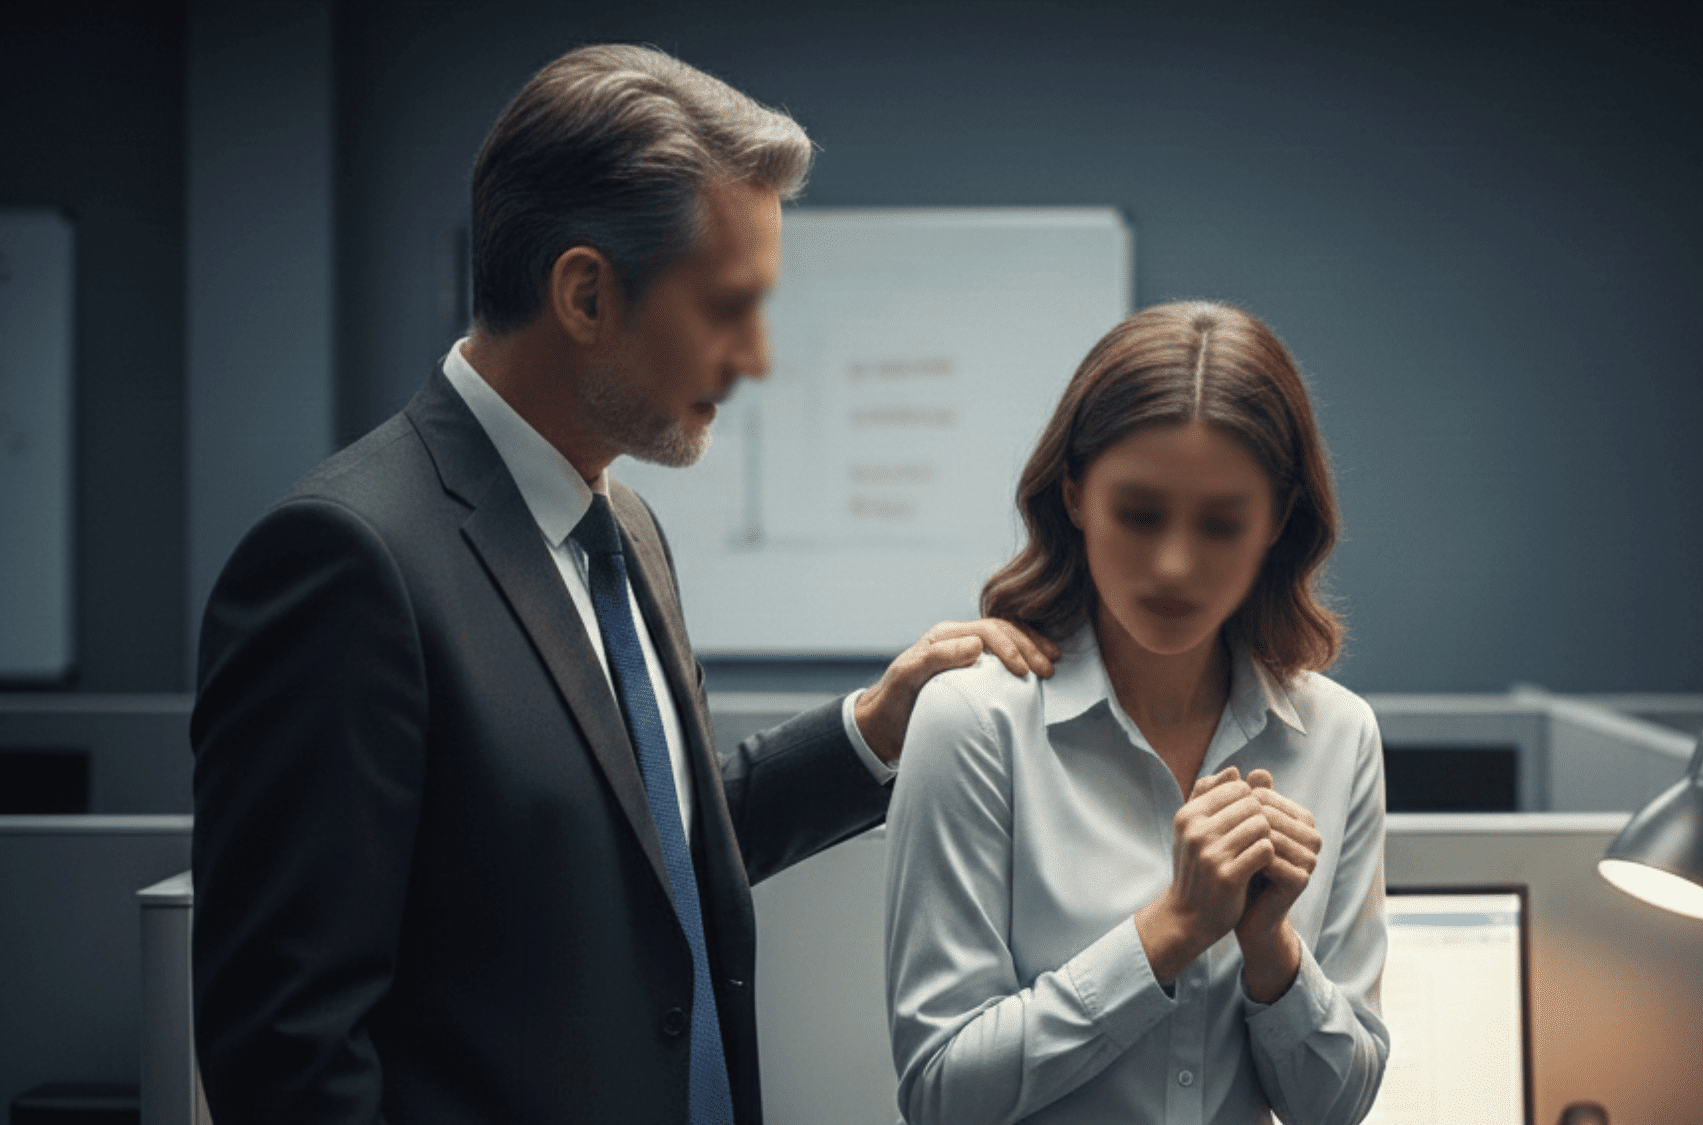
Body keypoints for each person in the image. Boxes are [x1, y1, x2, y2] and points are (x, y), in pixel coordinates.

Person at [190, 44, 1056, 1125]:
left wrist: (872, 731)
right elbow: (286, 1051)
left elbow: (636, 854)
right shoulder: (345, 562)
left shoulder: (624, 530)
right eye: (727, 307)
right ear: (587, 293)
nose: (755, 358)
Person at [884, 301, 1390, 1125]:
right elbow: (942, 1092)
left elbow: (1335, 1109)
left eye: (1222, 523)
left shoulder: (1338, 735)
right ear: (1075, 492)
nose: (1174, 565)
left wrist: (1273, 951)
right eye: (1140, 514)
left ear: (1279, 521)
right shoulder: (975, 721)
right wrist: (1174, 927)